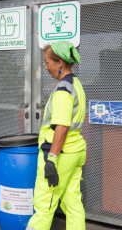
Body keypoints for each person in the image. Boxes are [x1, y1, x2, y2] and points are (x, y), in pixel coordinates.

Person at [26, 41, 86, 230]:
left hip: (59, 155)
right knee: (72, 202)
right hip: (75, 151)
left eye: (47, 62)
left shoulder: (62, 90)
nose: (45, 67)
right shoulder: (75, 84)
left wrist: (51, 159)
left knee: (44, 205)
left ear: (59, 62)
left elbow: (62, 126)